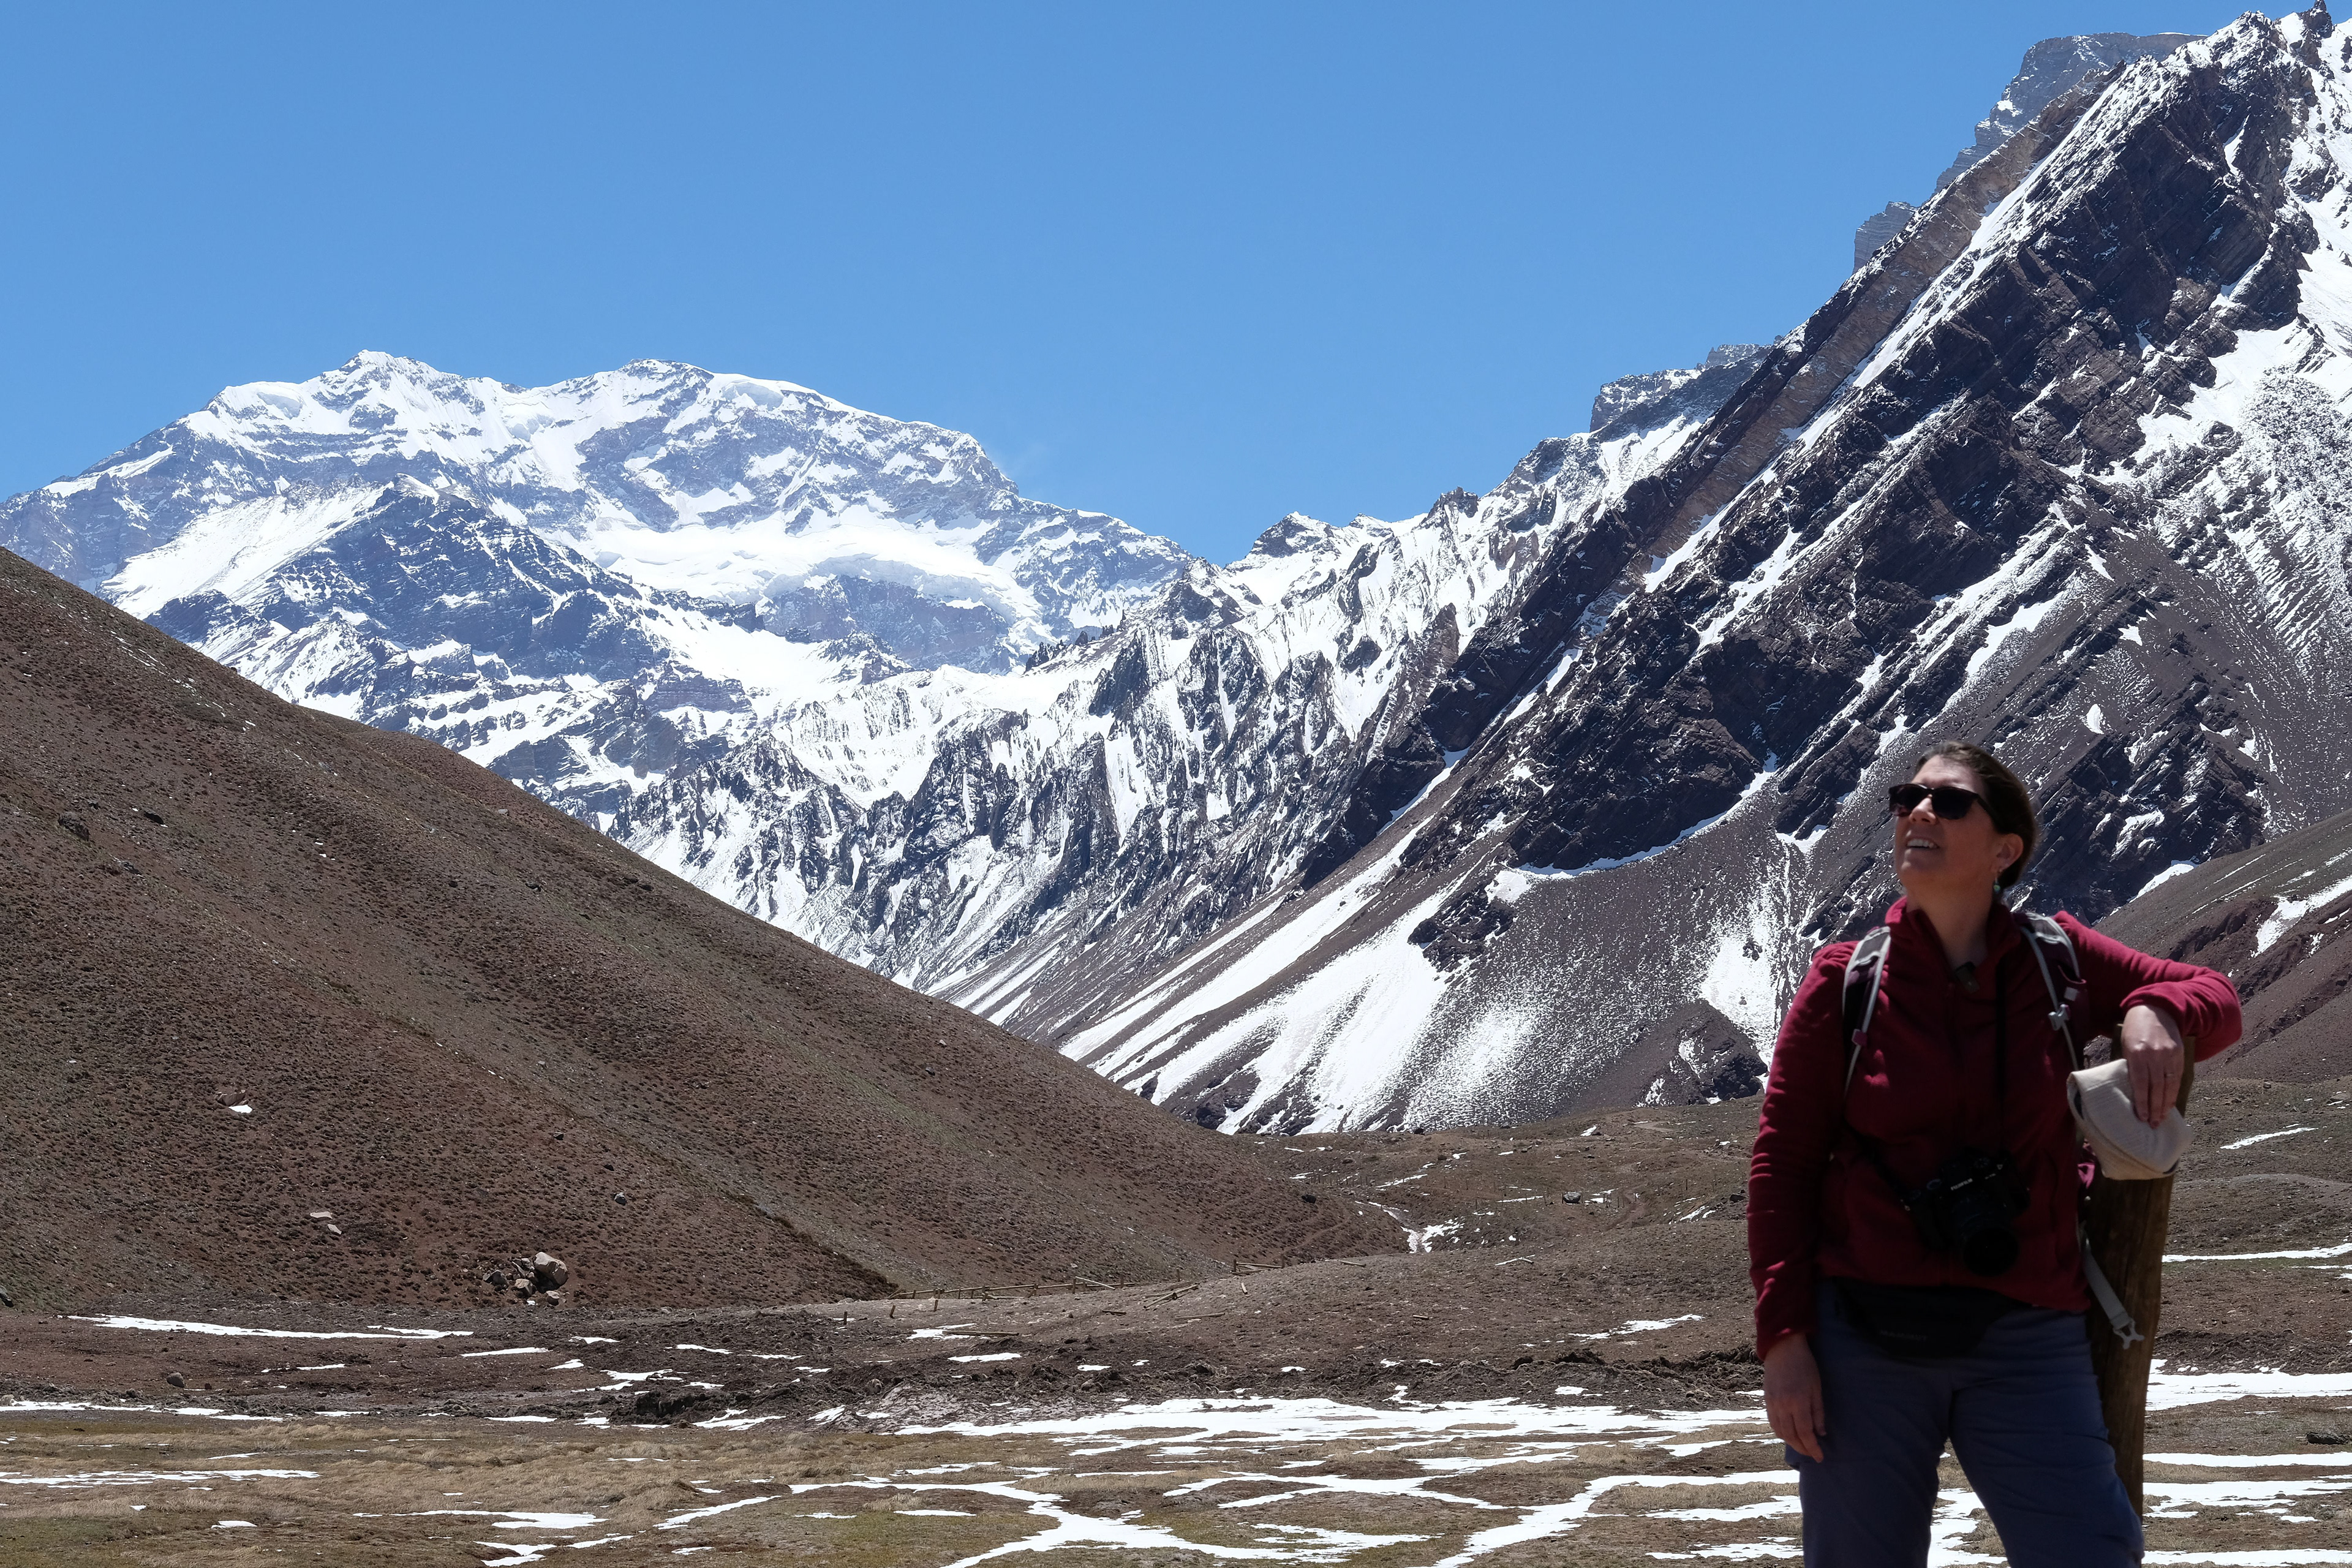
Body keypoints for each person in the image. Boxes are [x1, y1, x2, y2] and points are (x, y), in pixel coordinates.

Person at [1747, 741, 2241, 1566]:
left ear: (2006, 850)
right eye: (1907, 798)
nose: (1918, 813)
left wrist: (2154, 1005)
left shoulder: (2058, 959)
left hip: (2024, 1335)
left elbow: (2218, 1000)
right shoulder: (1846, 980)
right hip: (1864, 1337)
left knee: (2090, 1550)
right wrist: (1784, 1341)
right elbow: (1783, 1166)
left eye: (1949, 802)